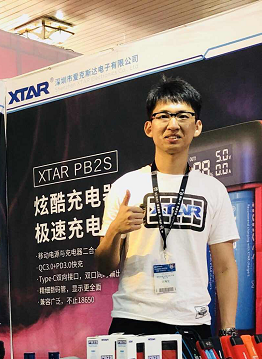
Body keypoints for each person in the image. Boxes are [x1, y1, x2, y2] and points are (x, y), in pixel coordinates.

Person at [95, 77, 240, 343]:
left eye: (183, 116)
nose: (173, 125)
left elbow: (225, 267)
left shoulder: (213, 189)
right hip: (133, 319)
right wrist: (115, 230)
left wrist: (228, 330)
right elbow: (104, 266)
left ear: (197, 126)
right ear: (149, 127)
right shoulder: (126, 186)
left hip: (192, 321)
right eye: (163, 116)